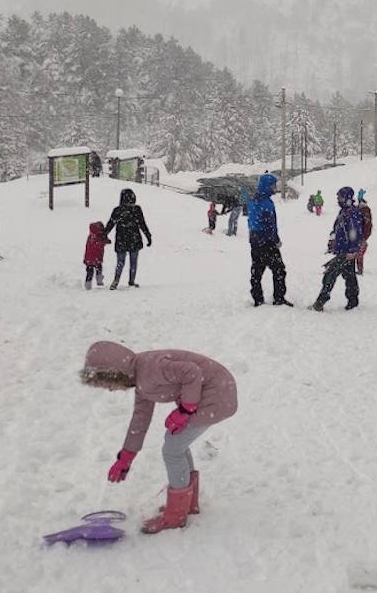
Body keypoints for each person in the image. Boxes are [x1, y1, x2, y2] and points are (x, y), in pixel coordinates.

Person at [81, 341, 238, 535]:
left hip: (217, 394)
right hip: (213, 393)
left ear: (116, 372)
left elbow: (192, 372)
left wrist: (186, 408)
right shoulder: (140, 381)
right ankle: (187, 503)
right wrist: (126, 457)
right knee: (177, 443)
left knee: (172, 449)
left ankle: (177, 514)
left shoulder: (151, 368)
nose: (111, 390)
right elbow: (140, 419)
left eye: (107, 383)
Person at [311, 187, 362, 311]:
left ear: (348, 199)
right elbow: (337, 227)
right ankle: (353, 300)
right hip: (342, 249)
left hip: (346, 251)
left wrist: (352, 250)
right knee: (349, 275)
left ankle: (321, 300)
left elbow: (354, 232)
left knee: (330, 274)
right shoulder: (343, 212)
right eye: (338, 197)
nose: (338, 200)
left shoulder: (352, 213)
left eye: (341, 198)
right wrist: (333, 237)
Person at [247, 173, 291, 307]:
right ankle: (279, 297)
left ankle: (257, 298)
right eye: (273, 185)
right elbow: (270, 225)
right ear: (267, 186)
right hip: (267, 241)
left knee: (257, 270)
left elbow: (251, 220)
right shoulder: (267, 203)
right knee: (279, 269)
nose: (274, 188)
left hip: (254, 239)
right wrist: (276, 240)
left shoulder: (253, 200)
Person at [104, 188, 152, 290]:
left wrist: (104, 234)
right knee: (133, 262)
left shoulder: (117, 210)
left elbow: (110, 224)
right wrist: (148, 236)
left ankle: (115, 281)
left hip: (121, 239)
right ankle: (131, 281)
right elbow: (142, 224)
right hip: (134, 239)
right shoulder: (137, 209)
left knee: (120, 262)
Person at [83, 221, 110, 290]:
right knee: (97, 269)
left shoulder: (91, 236)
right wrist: (105, 241)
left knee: (90, 272)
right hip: (96, 258)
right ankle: (98, 281)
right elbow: (98, 244)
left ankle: (88, 283)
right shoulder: (97, 237)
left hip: (89, 259)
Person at [354, 189, 372, 275]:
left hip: (361, 235)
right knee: (358, 253)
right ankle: (359, 268)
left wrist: (363, 235)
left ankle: (359, 269)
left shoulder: (363, 211)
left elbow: (366, 224)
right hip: (361, 235)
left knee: (359, 253)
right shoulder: (365, 211)